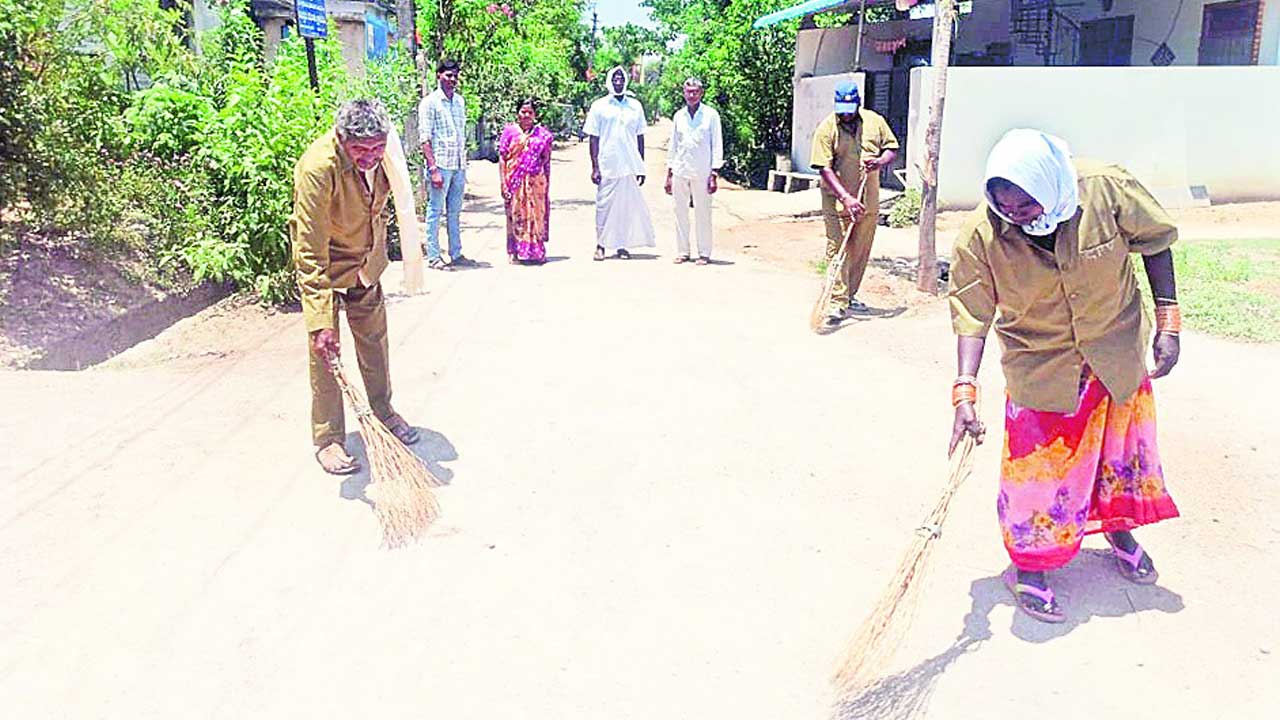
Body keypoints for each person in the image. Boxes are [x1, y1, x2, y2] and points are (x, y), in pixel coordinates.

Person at [948, 129, 1182, 623]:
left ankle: (1117, 528)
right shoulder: (981, 234)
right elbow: (971, 313)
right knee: (1038, 476)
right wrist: (964, 392)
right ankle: (1030, 565)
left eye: (1028, 208)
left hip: (1113, 352)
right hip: (1042, 366)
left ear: (1050, 185)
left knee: (1116, 457)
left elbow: (1156, 241)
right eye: (1007, 209)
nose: (1019, 218)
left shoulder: (1105, 188)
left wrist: (1169, 321)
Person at [290, 99, 421, 475]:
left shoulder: (386, 153)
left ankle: (383, 411)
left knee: (375, 342)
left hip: (365, 262)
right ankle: (329, 439)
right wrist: (319, 321)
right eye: (360, 150)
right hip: (327, 267)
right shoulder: (318, 168)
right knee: (326, 356)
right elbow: (309, 250)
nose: (370, 157)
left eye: (376, 148)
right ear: (342, 140)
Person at [809, 81, 898, 327]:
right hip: (837, 201)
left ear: (858, 103)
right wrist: (846, 198)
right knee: (837, 248)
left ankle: (850, 295)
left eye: (850, 108)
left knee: (860, 249)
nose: (846, 113)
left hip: (867, 199)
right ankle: (837, 301)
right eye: (842, 109)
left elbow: (892, 148)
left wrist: (880, 162)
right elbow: (823, 169)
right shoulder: (827, 128)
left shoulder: (874, 121)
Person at [584, 66, 655, 261]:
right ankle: (601, 245)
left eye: (621, 78)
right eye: (615, 78)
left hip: (628, 165)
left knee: (625, 207)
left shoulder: (635, 106)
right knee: (604, 206)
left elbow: (640, 137)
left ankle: (622, 246)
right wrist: (595, 167)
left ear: (626, 81)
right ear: (609, 81)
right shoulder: (599, 106)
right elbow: (593, 138)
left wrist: (640, 165)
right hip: (607, 164)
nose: (618, 81)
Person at [419, 58, 473, 270]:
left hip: (458, 164)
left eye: (455, 76)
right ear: (438, 76)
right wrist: (433, 169)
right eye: (448, 75)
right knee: (435, 211)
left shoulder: (459, 101)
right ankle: (433, 257)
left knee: (454, 211)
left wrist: (463, 165)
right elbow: (425, 138)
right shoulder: (430, 103)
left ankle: (456, 253)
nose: (453, 80)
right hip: (440, 165)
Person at [665, 77, 724, 266]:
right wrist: (669, 174)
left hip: (703, 172)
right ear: (684, 93)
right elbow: (673, 146)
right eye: (688, 91)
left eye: (695, 92)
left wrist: (714, 174)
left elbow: (717, 145)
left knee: (703, 213)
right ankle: (683, 251)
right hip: (680, 170)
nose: (691, 95)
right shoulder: (678, 116)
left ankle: (704, 253)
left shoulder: (711, 115)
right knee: (679, 211)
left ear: (701, 93)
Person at [498, 98, 554, 265]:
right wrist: (503, 182)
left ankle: (536, 252)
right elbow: (502, 157)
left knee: (536, 214)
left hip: (536, 181)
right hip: (514, 180)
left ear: (535, 115)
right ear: (517, 113)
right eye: (523, 112)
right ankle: (515, 252)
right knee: (515, 215)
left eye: (530, 112)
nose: (526, 115)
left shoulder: (542, 135)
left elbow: (546, 159)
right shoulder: (509, 132)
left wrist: (542, 179)